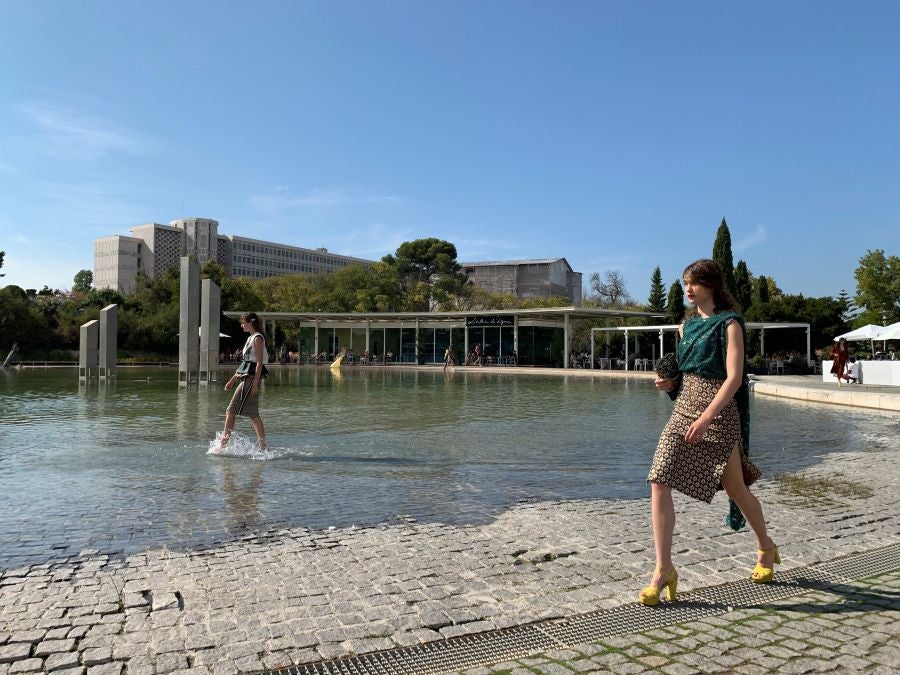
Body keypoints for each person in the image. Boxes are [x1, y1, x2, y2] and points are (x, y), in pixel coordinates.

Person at [642, 259, 776, 606]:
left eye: (695, 283)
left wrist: (705, 418)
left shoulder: (730, 324)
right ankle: (663, 569)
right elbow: (686, 375)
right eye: (686, 283)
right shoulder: (685, 327)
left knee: (735, 487)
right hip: (683, 408)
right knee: (658, 480)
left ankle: (765, 546)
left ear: (711, 286)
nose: (689, 289)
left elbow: (734, 378)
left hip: (717, 413)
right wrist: (668, 384)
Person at [219, 312, 268, 450]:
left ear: (250, 323)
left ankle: (224, 443)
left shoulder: (257, 338)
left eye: (243, 323)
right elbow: (245, 364)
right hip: (246, 379)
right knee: (252, 414)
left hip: (251, 379)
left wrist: (255, 385)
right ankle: (263, 446)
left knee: (232, 410)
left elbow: (258, 363)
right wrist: (233, 380)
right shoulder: (250, 338)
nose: (241, 325)